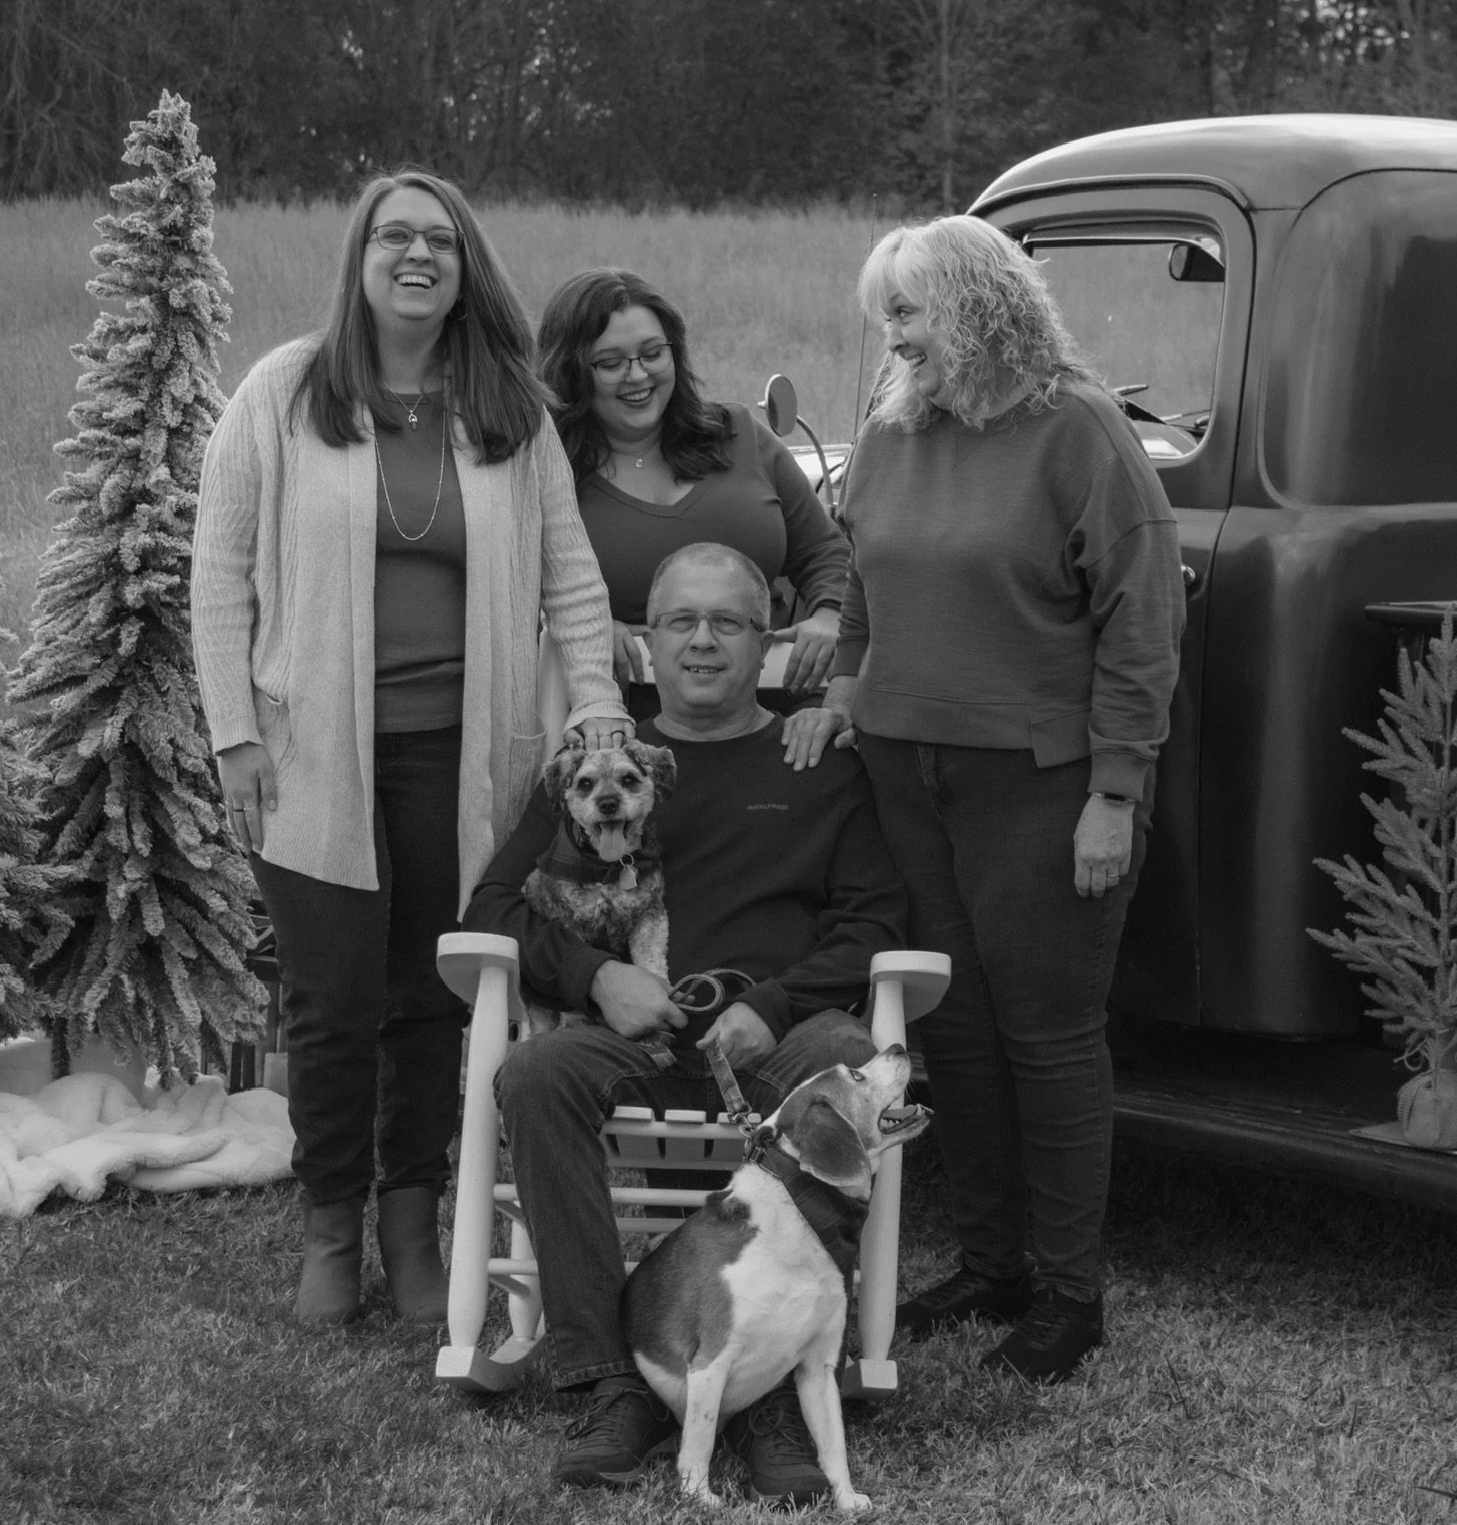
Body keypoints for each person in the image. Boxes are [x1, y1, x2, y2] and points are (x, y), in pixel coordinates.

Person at [191, 171, 630, 1328]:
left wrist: (596, 707)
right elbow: (218, 576)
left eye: (440, 239)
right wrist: (233, 733)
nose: (417, 255)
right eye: (394, 236)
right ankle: (331, 1227)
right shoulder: (283, 393)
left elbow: (573, 581)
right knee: (332, 1001)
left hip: (464, 757)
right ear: (362, 257)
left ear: (465, 266)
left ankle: (412, 1221)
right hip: (309, 756)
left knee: (437, 994)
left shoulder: (509, 411)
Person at [785, 214, 1186, 1384]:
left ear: (977, 308)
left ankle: (1069, 1293)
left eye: (909, 315)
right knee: (955, 1032)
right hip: (906, 778)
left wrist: (1116, 792)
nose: (894, 340)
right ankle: (992, 1263)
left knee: (1048, 1036)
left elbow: (1143, 629)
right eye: (886, 319)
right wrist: (847, 688)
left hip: (1041, 785)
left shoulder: (1082, 434)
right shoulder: (893, 429)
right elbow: (866, 578)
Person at [465, 542, 907, 1502]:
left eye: (729, 622)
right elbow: (491, 908)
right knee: (537, 1074)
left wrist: (772, 1005)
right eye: (680, 621)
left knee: (840, 1055)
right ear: (646, 641)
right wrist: (596, 978)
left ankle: (781, 1387)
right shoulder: (595, 769)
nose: (703, 642)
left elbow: (873, 923)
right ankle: (611, 1379)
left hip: (773, 1036)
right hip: (626, 1033)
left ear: (767, 638)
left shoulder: (817, 764)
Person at [537, 269, 850, 718]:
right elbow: (514, 596)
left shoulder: (739, 433)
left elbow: (824, 552)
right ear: (570, 372)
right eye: (610, 363)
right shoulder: (545, 472)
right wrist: (581, 628)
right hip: (624, 729)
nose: (637, 375)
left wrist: (830, 615)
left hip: (781, 712)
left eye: (653, 354)